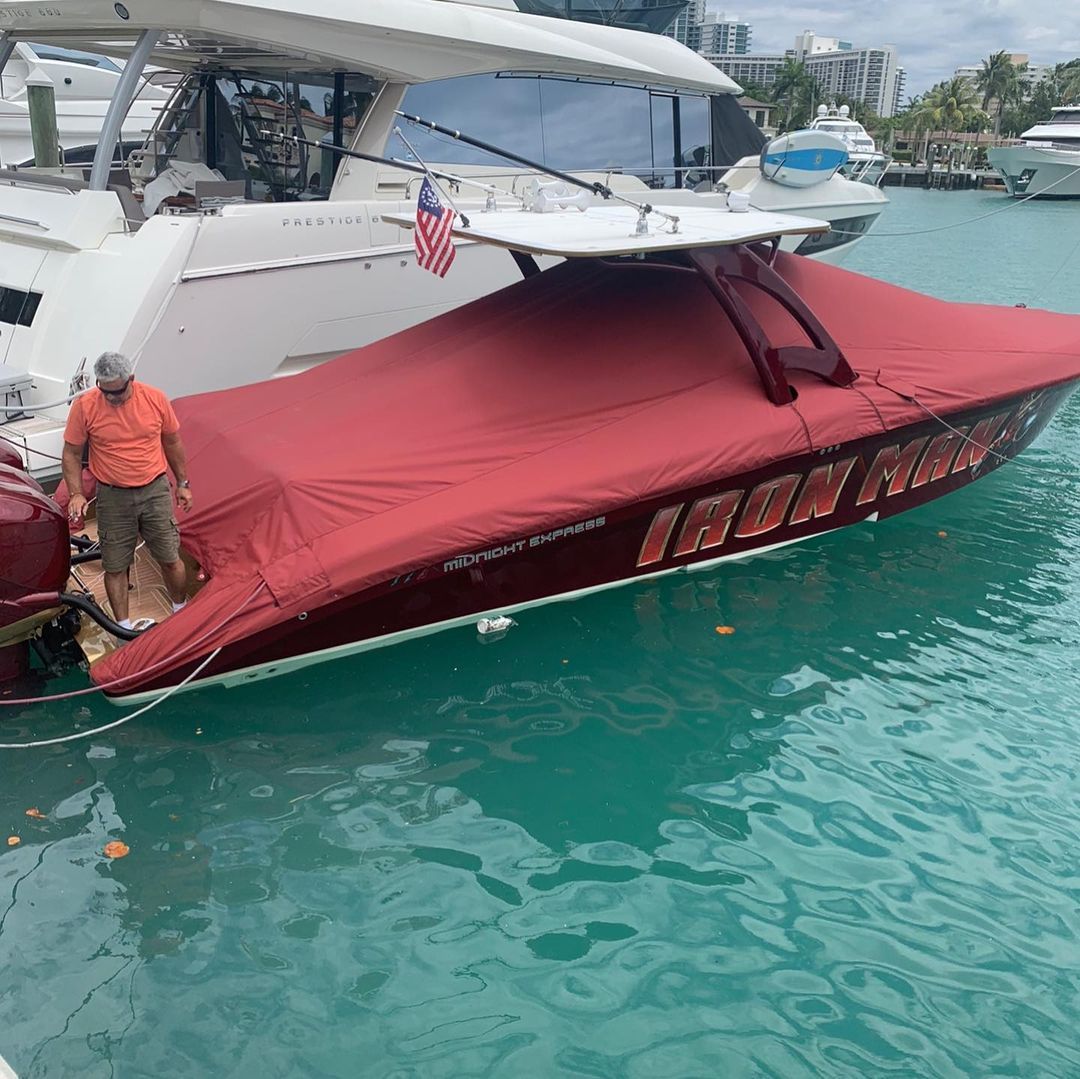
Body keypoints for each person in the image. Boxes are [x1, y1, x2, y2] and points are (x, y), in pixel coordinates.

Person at [62, 352, 194, 633]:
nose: (111, 398)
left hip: (155, 489)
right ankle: (123, 629)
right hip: (112, 496)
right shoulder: (84, 406)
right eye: (104, 391)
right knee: (115, 565)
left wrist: (183, 484)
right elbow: (71, 453)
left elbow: (172, 442)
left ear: (131, 379)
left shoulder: (155, 398)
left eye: (118, 391)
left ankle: (181, 614)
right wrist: (76, 493)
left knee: (170, 557)